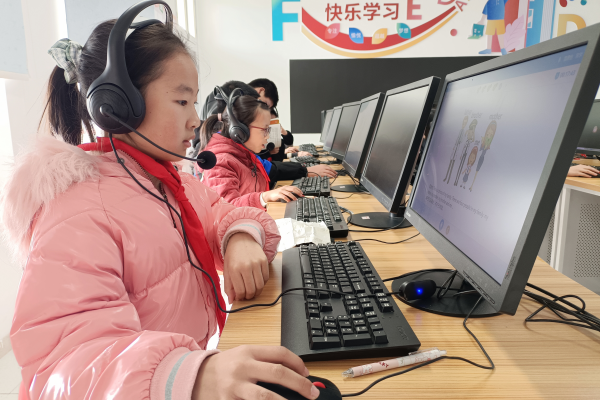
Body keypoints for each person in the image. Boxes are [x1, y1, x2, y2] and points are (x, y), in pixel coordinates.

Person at [0, 15, 320, 400]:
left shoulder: (169, 183)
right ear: (119, 105)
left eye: (194, 101)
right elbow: (66, 365)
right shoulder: (77, 211)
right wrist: (184, 376)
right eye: (182, 101)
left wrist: (240, 238)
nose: (196, 119)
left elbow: (225, 213)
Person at [199, 94, 307, 207]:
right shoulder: (220, 163)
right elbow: (226, 207)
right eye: (265, 129)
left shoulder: (245, 154)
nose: (268, 136)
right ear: (241, 131)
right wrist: (264, 197)